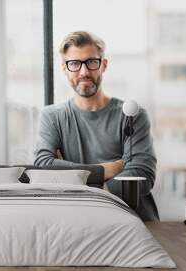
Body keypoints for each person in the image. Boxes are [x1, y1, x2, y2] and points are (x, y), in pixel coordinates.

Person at [34, 31, 159, 221]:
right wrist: (104, 171)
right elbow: (43, 166)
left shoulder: (132, 115)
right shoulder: (52, 117)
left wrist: (73, 178)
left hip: (134, 221)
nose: (84, 72)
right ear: (64, 69)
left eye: (91, 62)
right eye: (74, 64)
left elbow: (141, 175)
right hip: (79, 224)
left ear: (104, 65)